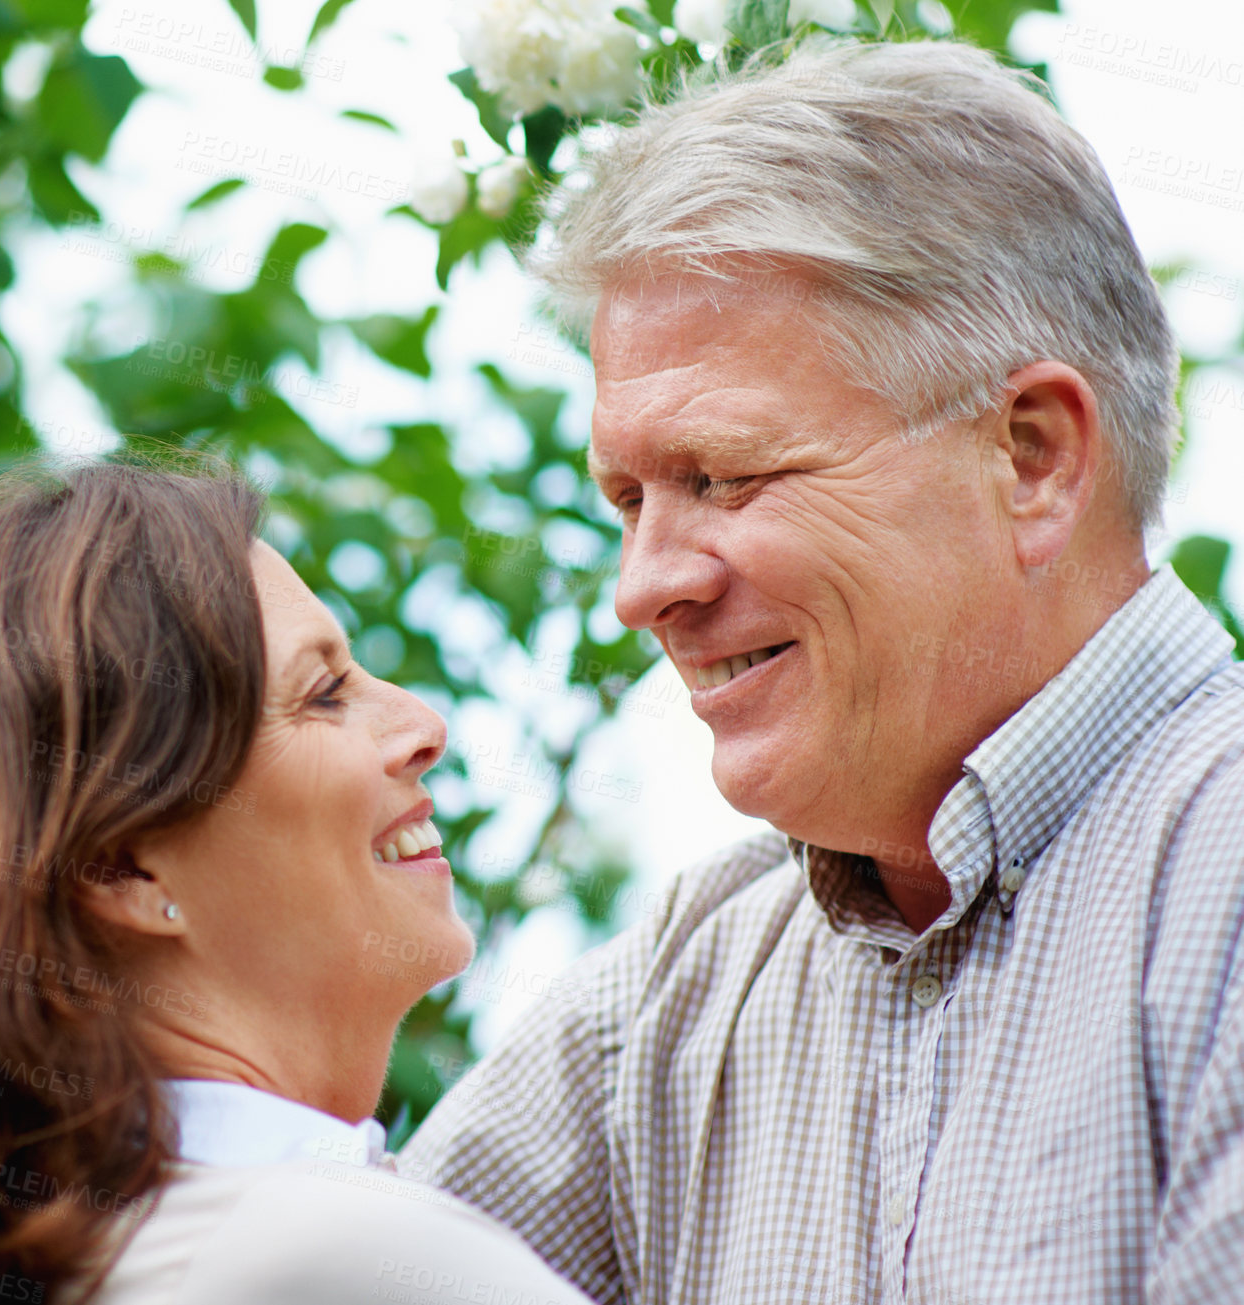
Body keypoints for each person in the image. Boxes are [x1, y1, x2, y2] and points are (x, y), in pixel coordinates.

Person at [400, 37, 1244, 1305]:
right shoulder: (676, 1003)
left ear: (1029, 458)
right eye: (627, 499)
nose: (643, 587)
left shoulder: (1214, 889)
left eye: (722, 476)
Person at [0, 457, 594, 1305]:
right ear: (122, 864)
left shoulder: (86, 1258)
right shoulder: (338, 1255)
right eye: (324, 692)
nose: (422, 722)